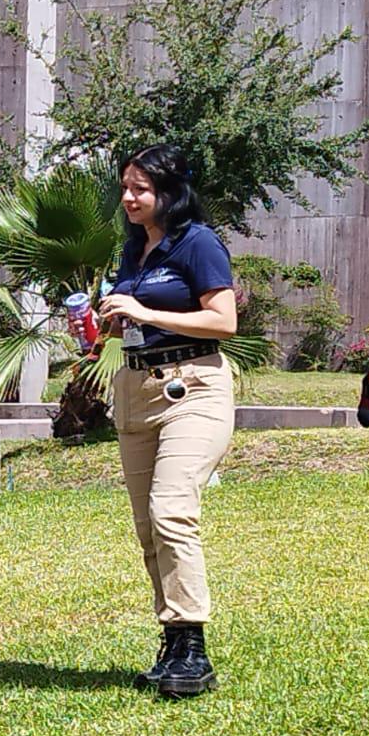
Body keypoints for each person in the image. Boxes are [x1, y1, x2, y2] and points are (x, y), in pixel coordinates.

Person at [98, 144, 238, 698]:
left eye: (141, 189)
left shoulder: (197, 242)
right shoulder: (136, 248)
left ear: (170, 192)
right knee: (146, 526)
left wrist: (145, 311)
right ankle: (172, 640)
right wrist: (110, 325)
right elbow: (134, 322)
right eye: (125, 188)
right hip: (136, 388)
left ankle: (192, 647)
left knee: (172, 508)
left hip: (193, 387)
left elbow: (223, 320)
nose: (129, 198)